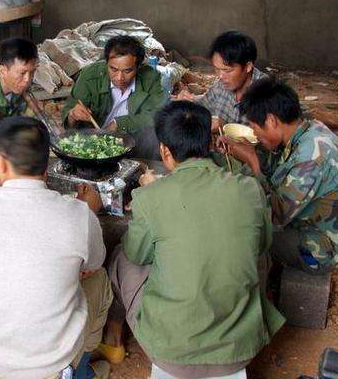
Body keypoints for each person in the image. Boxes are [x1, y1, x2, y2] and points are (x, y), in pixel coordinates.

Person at [102, 101, 284, 378]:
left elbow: (137, 256)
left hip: (171, 352)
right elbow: (262, 246)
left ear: (164, 150)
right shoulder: (250, 188)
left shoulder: (151, 198)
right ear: (210, 143)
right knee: (255, 254)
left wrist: (154, 194)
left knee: (120, 256)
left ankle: (112, 337)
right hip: (238, 349)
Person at [0, 117, 113, 379]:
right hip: (47, 367)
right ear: (46, 165)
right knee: (100, 281)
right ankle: (80, 370)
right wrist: (89, 212)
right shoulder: (78, 214)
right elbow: (94, 264)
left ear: (0, 164)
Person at [222, 77, 338, 274]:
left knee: (243, 231)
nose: (255, 135)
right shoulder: (307, 129)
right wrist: (247, 153)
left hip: (323, 248)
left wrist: (252, 163)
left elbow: (273, 216)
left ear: (272, 121)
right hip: (315, 223)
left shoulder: (311, 157)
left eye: (255, 128)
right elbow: (280, 167)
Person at [61, 35, 166, 159]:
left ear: (138, 67)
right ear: (107, 63)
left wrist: (118, 124)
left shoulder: (151, 78)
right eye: (113, 69)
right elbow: (69, 116)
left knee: (154, 136)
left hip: (131, 140)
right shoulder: (90, 75)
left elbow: (156, 115)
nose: (119, 78)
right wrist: (73, 115)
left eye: (127, 71)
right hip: (94, 141)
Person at [176, 30, 266, 131]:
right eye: (216, 69)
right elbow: (205, 103)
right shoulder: (221, 84)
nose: (220, 76)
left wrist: (224, 126)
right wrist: (188, 103)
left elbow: (272, 142)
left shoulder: (268, 95)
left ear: (248, 67)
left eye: (227, 70)